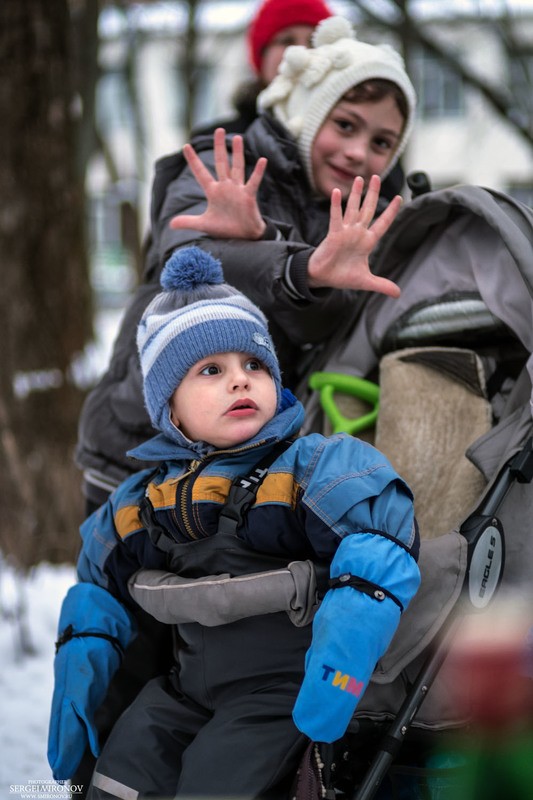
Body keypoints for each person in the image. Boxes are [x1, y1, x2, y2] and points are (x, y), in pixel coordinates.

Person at [49, 245, 420, 799]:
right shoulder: (148, 497)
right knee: (122, 768)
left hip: (282, 690)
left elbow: (379, 532)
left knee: (217, 781)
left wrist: (349, 636)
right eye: (211, 370)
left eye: (254, 365)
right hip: (185, 687)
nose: (241, 381)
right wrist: (87, 638)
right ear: (169, 409)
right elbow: (101, 569)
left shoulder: (309, 466)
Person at [76, 15, 417, 509]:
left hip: (246, 463)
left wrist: (276, 251)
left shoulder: (364, 218)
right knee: (111, 580)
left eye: (382, 143)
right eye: (344, 125)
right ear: (306, 110)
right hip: (138, 449)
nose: (357, 151)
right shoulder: (224, 160)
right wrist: (297, 265)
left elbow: (327, 318)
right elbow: (186, 260)